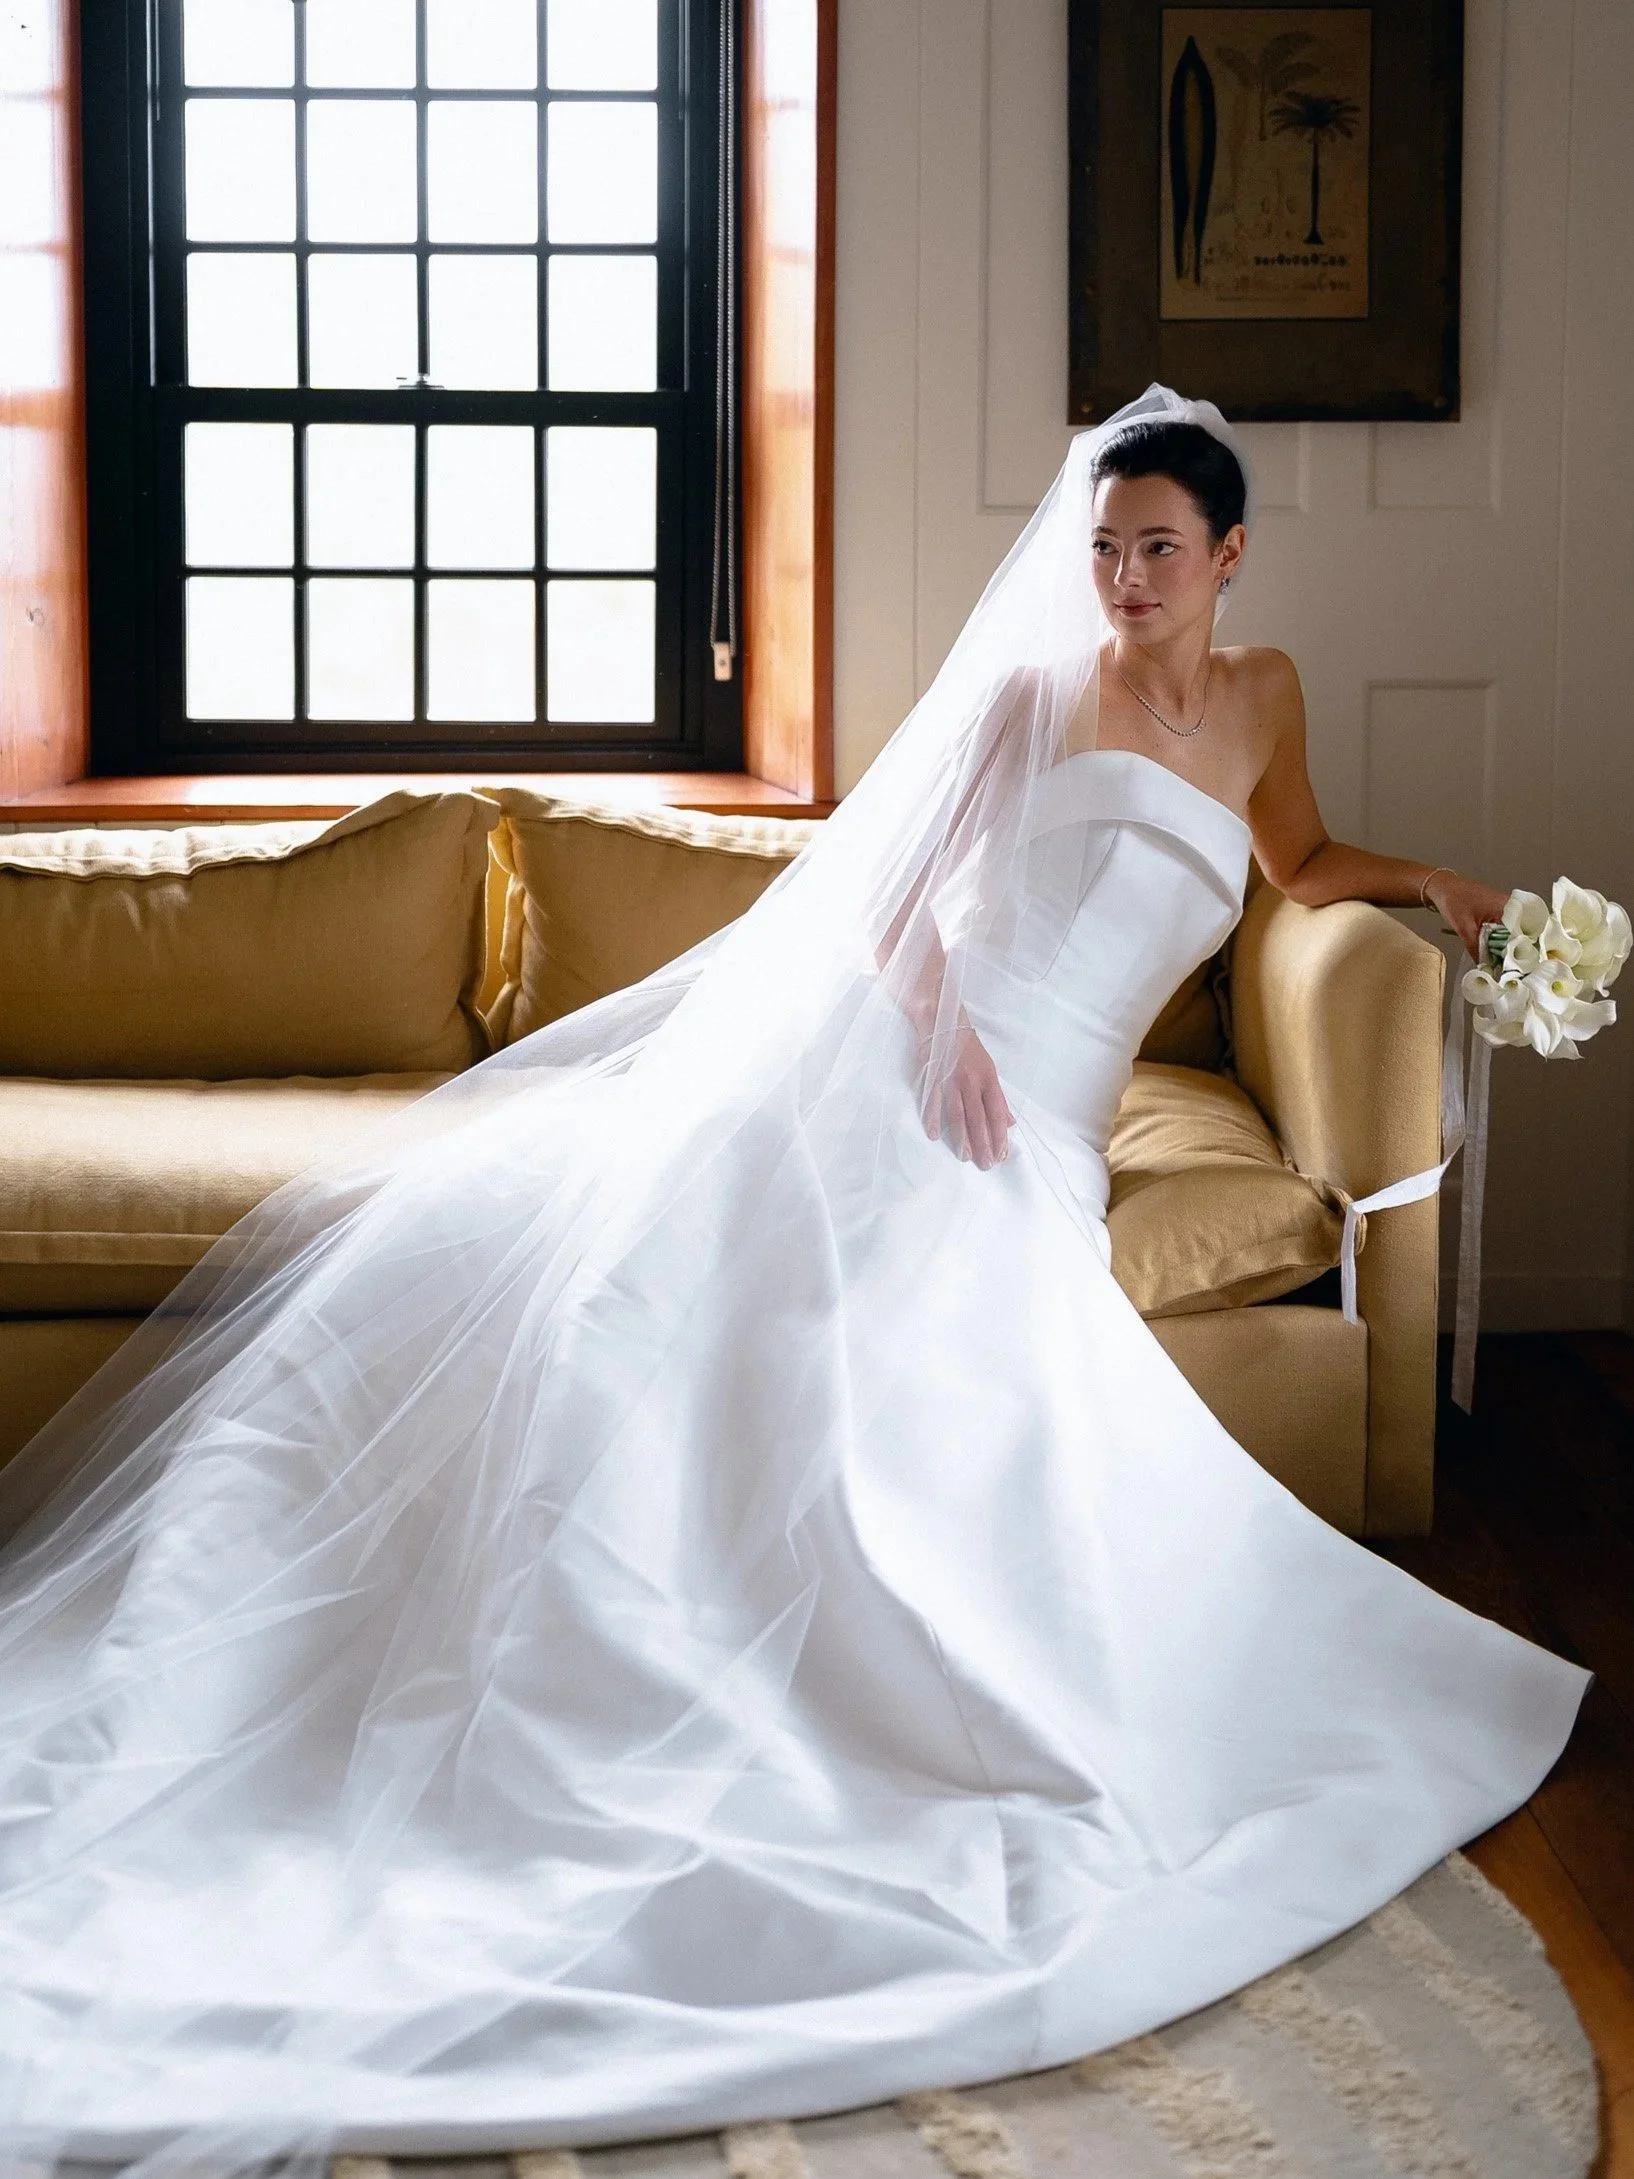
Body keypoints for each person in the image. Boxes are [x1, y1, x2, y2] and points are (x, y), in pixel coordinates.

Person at [0, 387, 1587, 2173]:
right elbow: (888, 892)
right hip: (939, 1065)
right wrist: (942, 1034)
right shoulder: (1029, 694)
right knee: (800, 1316)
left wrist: (1432, 883)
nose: (1125, 578)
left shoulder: (1263, 694)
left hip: (1059, 1125)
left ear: (1228, 556)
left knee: (961, 1333)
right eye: (1103, 548)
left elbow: (1292, 861)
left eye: (1159, 548)